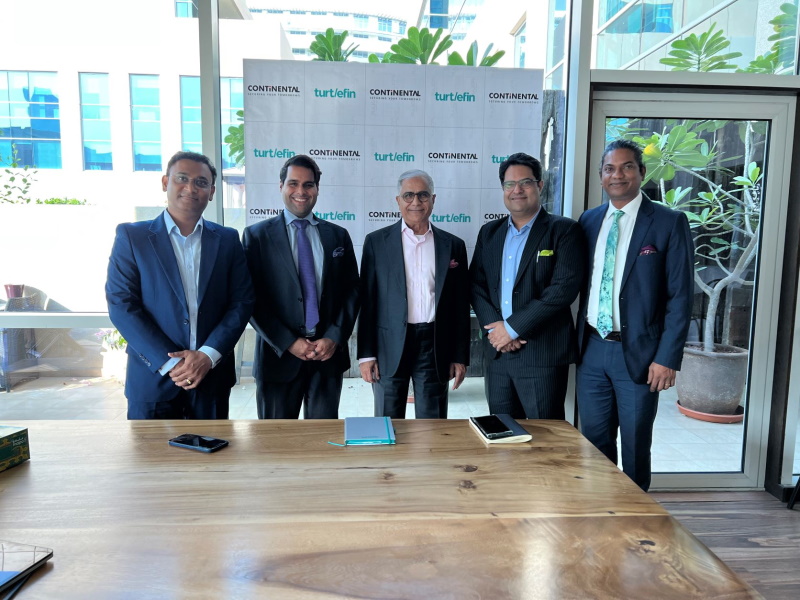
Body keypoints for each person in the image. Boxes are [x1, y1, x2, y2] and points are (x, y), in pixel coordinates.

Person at [577, 139, 695, 491]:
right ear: (601, 176)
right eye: (609, 169)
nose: (618, 175)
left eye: (626, 167)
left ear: (641, 172)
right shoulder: (589, 221)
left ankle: (635, 515)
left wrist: (667, 358)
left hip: (641, 355)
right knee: (594, 443)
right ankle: (602, 508)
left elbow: (680, 297)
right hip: (592, 350)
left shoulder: (668, 222)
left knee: (635, 444)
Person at [106, 151, 254, 419]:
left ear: (211, 192)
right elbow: (122, 305)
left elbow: (241, 302)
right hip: (152, 380)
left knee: (211, 448)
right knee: (151, 448)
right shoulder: (132, 237)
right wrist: (172, 363)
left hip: (210, 378)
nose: (191, 188)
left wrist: (207, 355)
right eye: (182, 179)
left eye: (201, 182)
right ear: (165, 182)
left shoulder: (228, 240)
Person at [242, 154, 359, 419]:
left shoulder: (337, 235)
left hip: (326, 357)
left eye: (308, 185)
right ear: (281, 186)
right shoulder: (257, 236)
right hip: (278, 358)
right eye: (293, 183)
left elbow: (352, 291)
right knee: (277, 438)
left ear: (317, 188)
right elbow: (250, 298)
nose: (301, 191)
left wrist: (334, 337)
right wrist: (289, 342)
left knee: (322, 437)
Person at [470, 152, 584, 420]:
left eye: (526, 182)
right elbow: (476, 284)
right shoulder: (490, 232)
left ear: (540, 185)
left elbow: (562, 290)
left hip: (542, 354)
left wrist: (511, 329)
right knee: (503, 432)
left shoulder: (564, 230)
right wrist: (497, 331)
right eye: (510, 184)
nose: (517, 190)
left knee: (545, 436)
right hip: (498, 355)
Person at [358, 169, 470, 418]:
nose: (416, 202)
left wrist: (459, 356)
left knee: (433, 423)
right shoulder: (376, 243)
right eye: (408, 195)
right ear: (398, 200)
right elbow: (367, 302)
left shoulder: (453, 245)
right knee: (387, 421)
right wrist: (366, 355)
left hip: (434, 344)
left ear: (433, 199)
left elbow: (460, 306)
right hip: (388, 345)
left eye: (423, 195)